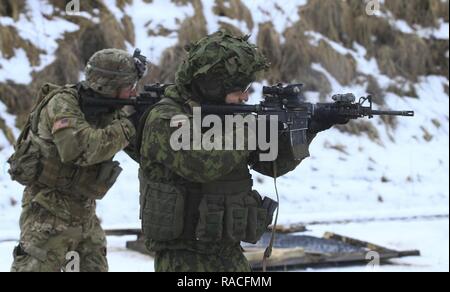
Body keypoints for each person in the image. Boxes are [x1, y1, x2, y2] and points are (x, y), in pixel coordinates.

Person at [138, 31, 346, 272]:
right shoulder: (165, 118)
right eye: (239, 89)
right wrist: (250, 128)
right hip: (184, 258)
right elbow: (202, 164)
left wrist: (309, 127)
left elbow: (272, 165)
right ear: (213, 86)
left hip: (228, 251)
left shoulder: (231, 117)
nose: (246, 96)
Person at [8, 48, 147, 272]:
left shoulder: (110, 110)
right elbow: (80, 149)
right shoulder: (63, 104)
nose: (133, 92)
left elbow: (139, 152)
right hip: (47, 214)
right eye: (128, 87)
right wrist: (131, 125)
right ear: (107, 85)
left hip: (85, 215)